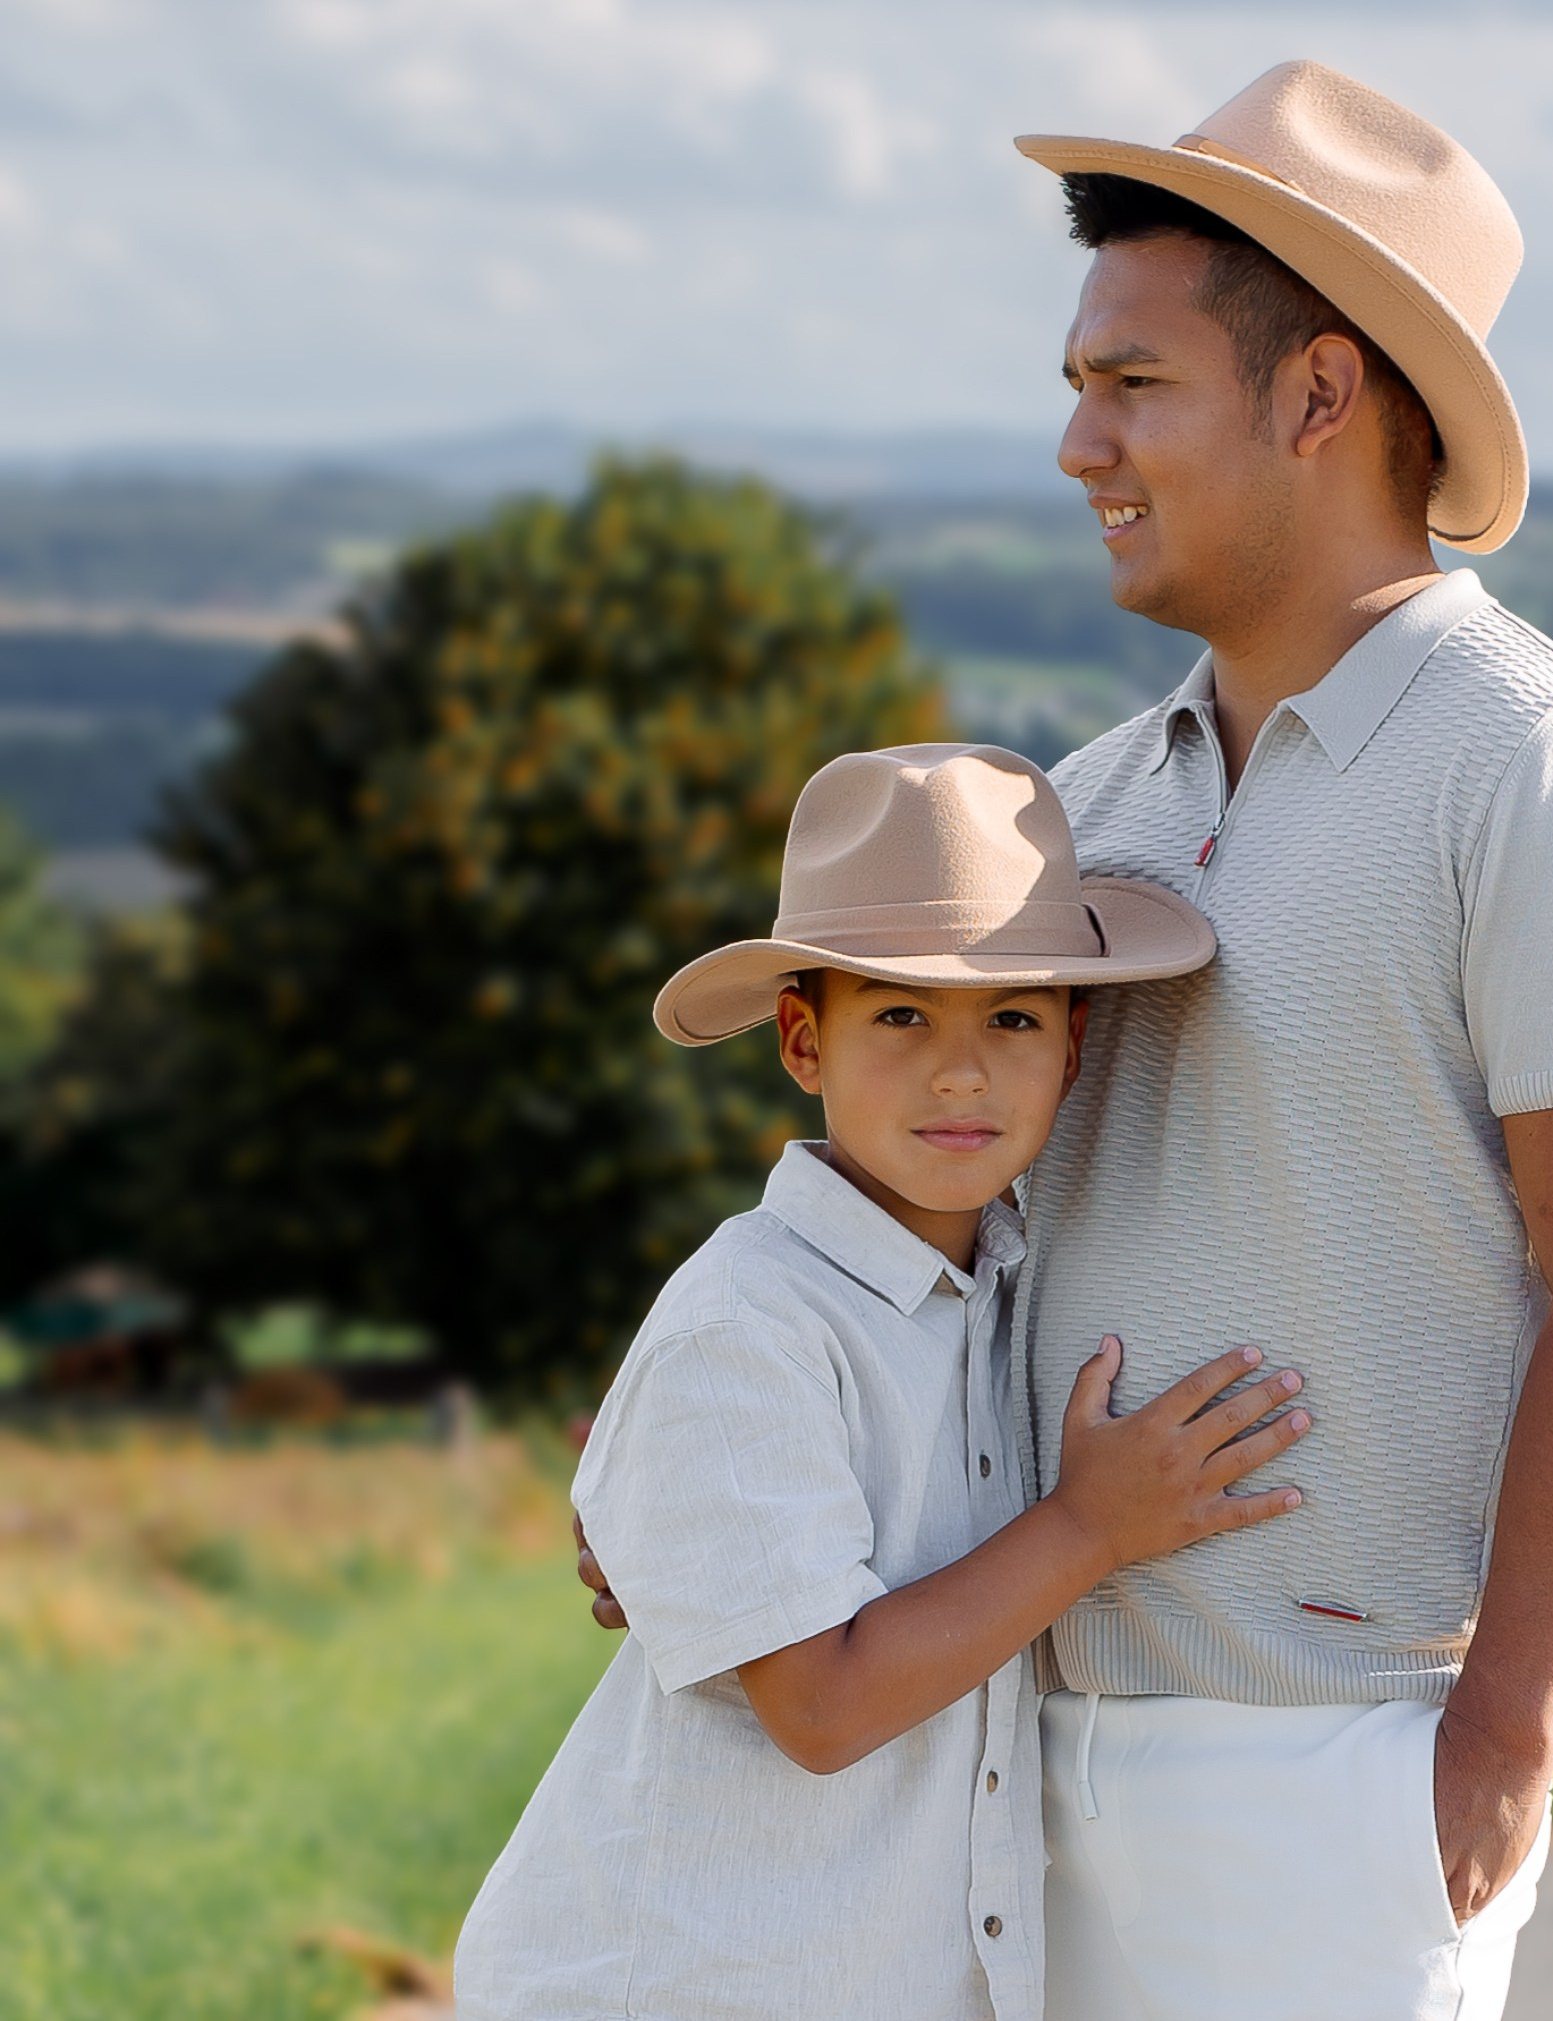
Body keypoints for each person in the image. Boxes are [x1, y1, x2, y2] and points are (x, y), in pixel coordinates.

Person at [580, 59, 1553, 2021]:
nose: (1072, 441)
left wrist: (1502, 1741)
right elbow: (940, 1198)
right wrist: (712, 1459)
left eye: (1129, 383)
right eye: (1073, 382)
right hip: (1006, 1747)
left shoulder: (1538, 772)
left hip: (1333, 1760)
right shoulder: (1093, 797)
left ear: (1316, 395)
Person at [454, 743, 1311, 2021]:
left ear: (1075, 1050)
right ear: (804, 1038)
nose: (959, 1069)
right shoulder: (748, 1322)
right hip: (678, 1985)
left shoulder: (1012, 1290)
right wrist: (1090, 1525)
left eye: (1011, 1017)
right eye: (900, 1013)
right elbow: (822, 1702)